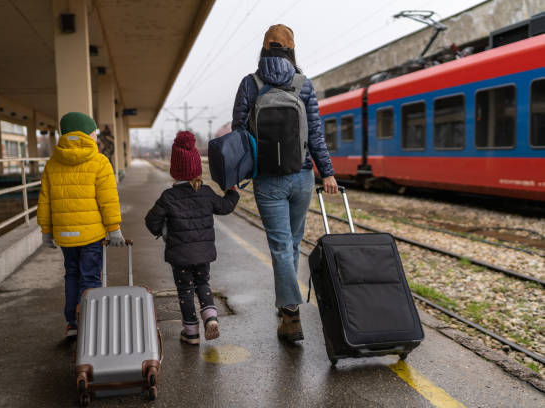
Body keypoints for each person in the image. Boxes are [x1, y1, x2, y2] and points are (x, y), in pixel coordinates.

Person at [232, 24, 338, 342]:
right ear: (292, 49)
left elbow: (239, 133)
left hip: (267, 180)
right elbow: (316, 133)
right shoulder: (303, 85)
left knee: (280, 247)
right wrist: (328, 172)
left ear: (264, 48)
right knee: (292, 245)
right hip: (302, 177)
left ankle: (290, 315)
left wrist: (236, 175)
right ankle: (287, 305)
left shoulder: (250, 84)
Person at [145, 131, 239, 345]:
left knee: (185, 290)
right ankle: (211, 317)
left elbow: (151, 221)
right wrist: (232, 192)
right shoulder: (205, 192)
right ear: (196, 168)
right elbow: (224, 207)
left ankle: (191, 332)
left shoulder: (168, 197)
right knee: (203, 283)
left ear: (174, 171)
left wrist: (163, 232)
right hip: (203, 253)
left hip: (179, 255)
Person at [37, 112, 126, 338]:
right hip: (91, 235)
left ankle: (72, 323)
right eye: (94, 132)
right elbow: (108, 200)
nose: (96, 136)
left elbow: (44, 201)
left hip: (65, 235)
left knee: (72, 275)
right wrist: (114, 229)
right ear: (88, 133)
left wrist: (46, 232)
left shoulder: (52, 163)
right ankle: (91, 322)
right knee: (91, 277)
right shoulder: (99, 161)